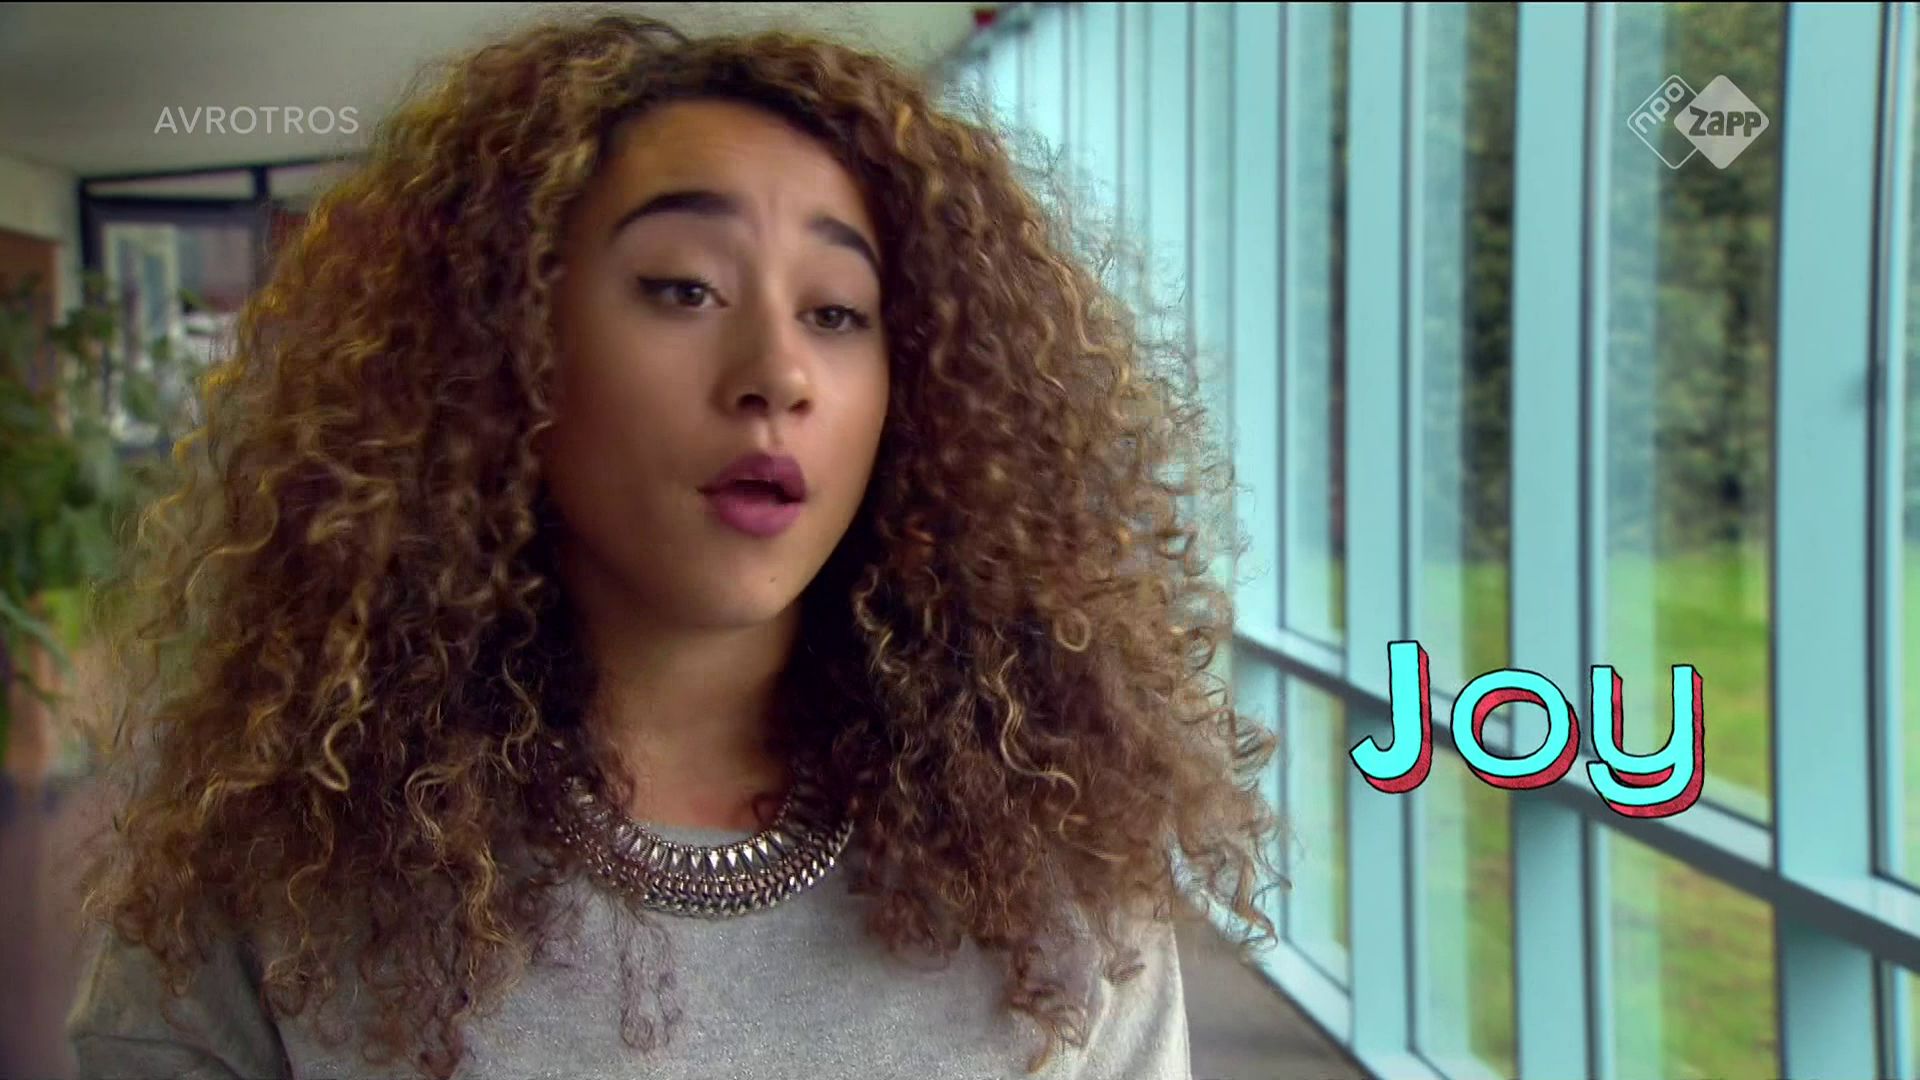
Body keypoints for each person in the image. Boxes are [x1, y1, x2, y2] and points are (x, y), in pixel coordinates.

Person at [64, 12, 1281, 1079]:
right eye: (684, 289)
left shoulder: (1056, 859)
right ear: (505, 347)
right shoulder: (280, 866)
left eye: (837, 312)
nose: (778, 373)